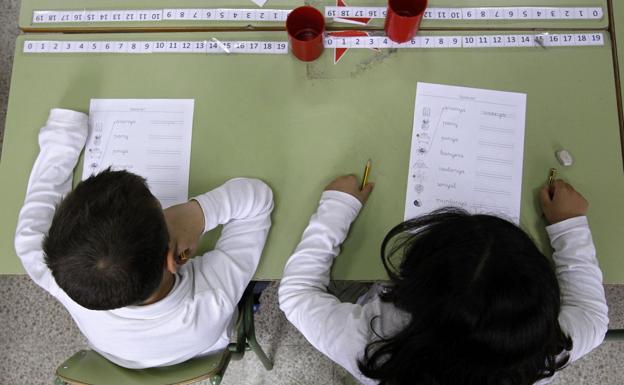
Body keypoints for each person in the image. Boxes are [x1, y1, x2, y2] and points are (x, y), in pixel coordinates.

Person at [279, 174, 608, 385]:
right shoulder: (539, 357)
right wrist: (568, 224)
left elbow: (296, 295)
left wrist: (337, 206)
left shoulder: (370, 343)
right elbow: (592, 317)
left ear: (411, 291)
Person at [15, 109, 274, 368]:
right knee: (261, 280)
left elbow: (27, 237)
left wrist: (64, 133)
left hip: (124, 355)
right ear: (173, 260)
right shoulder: (212, 299)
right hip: (210, 341)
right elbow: (258, 199)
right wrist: (195, 213)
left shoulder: (63, 278)